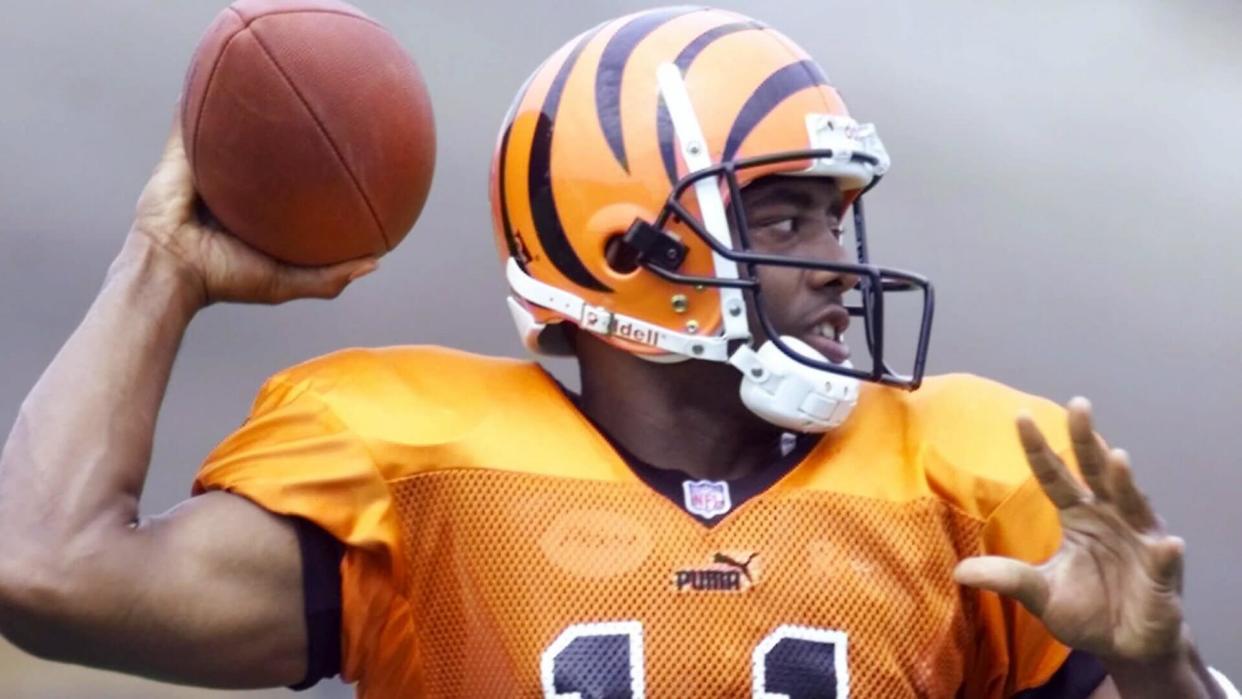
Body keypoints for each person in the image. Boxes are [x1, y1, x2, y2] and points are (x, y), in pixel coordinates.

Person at [0, 6, 1234, 698]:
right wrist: (161, 266)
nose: (838, 265)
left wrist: (1158, 666)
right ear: (624, 245)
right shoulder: (423, 474)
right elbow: (47, 574)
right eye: (787, 216)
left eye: (839, 214)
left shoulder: (965, 480)